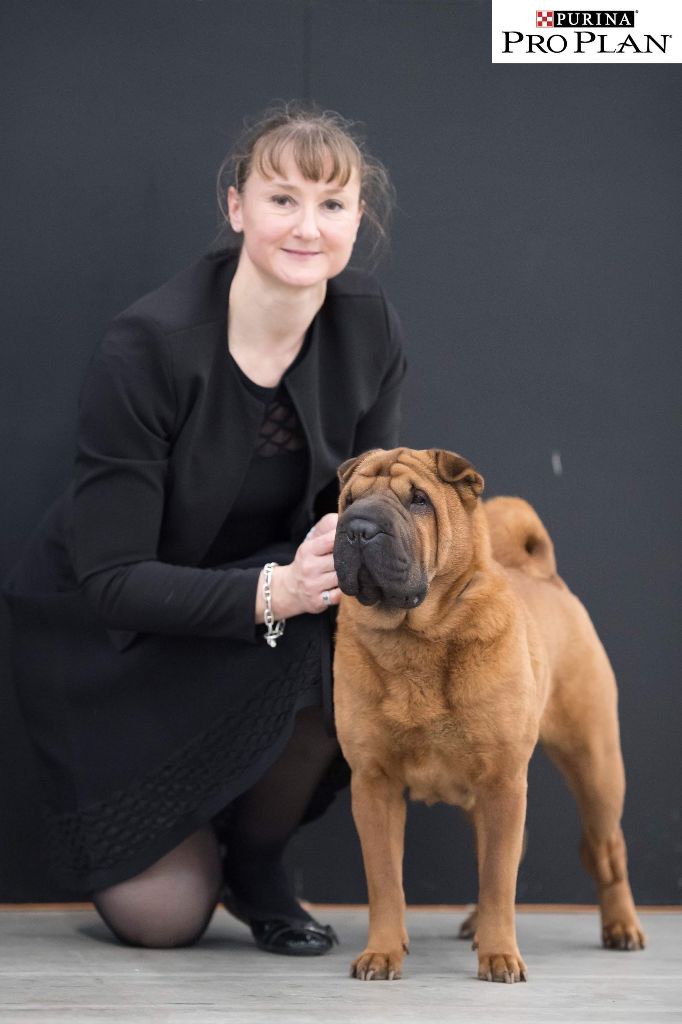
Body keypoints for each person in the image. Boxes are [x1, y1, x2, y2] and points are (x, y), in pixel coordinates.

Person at [3, 103, 406, 955]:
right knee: (164, 923)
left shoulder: (368, 323)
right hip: (118, 637)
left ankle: (259, 862)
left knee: (342, 630)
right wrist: (277, 591)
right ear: (236, 206)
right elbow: (111, 579)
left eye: (332, 204)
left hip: (276, 617)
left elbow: (366, 500)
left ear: (358, 218)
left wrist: (328, 574)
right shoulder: (147, 346)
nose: (307, 227)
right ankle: (196, 837)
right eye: (282, 199)